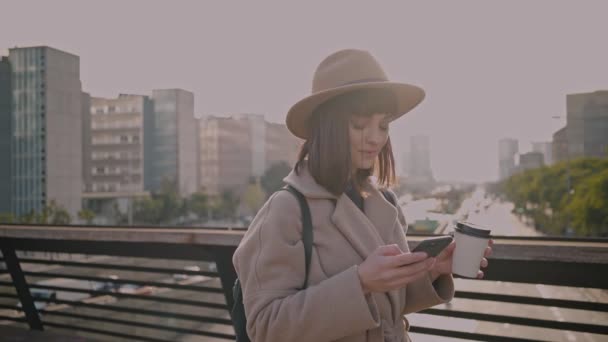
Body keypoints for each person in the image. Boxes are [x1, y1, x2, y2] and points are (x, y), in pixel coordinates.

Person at [232, 49, 492, 342]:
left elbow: (387, 308)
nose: (375, 138)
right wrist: (360, 282)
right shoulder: (286, 209)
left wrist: (432, 271)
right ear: (326, 125)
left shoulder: (385, 202)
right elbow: (266, 327)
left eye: (383, 125)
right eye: (359, 124)